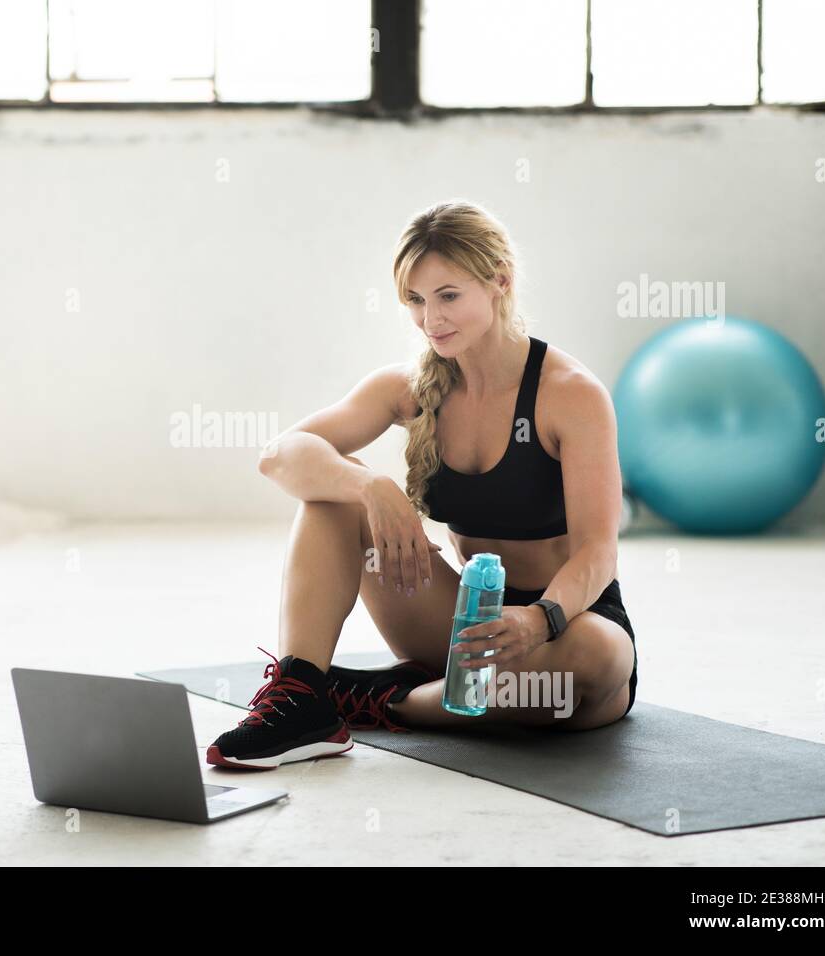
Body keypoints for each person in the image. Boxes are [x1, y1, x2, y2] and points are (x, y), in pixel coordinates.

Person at [207, 200, 638, 771]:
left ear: (500, 281)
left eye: (448, 296)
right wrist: (369, 486)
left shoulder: (570, 393)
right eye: (415, 300)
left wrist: (539, 620)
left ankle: (380, 699)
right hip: (462, 626)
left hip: (564, 627)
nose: (430, 319)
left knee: (594, 660)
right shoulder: (408, 386)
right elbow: (280, 455)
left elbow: (598, 551)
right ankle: (302, 696)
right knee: (332, 491)